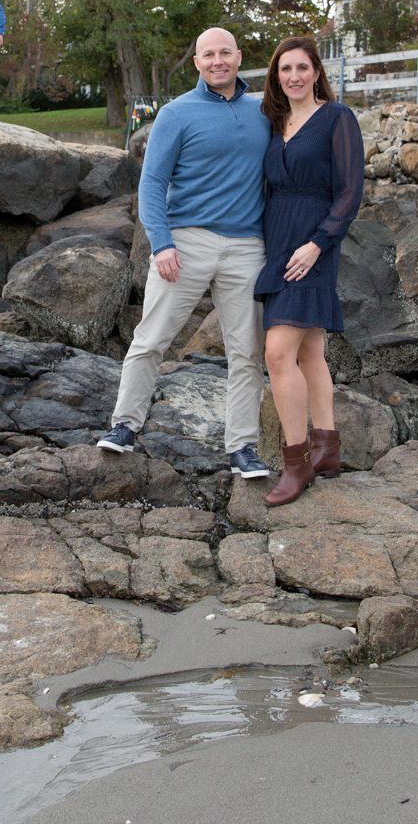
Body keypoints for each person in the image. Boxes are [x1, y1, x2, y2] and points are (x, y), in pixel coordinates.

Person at [97, 26, 274, 479]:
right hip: (186, 243)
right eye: (208, 54)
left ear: (238, 57)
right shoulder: (177, 114)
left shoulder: (263, 112)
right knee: (151, 339)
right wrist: (163, 243)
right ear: (197, 62)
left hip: (247, 247)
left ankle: (243, 449)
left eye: (225, 53)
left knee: (247, 352)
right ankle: (124, 426)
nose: (218, 61)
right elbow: (152, 183)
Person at [251, 36, 364, 506]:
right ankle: (328, 447)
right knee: (310, 351)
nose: (293, 76)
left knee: (278, 353)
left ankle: (295, 463)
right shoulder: (274, 124)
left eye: (301, 67)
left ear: (317, 72)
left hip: (314, 243)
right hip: (277, 243)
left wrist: (318, 244)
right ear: (276, 77)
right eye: (284, 69)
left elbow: (350, 191)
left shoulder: (338, 119)